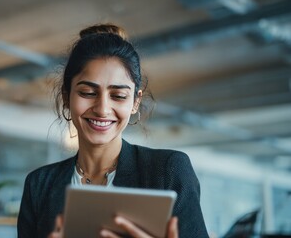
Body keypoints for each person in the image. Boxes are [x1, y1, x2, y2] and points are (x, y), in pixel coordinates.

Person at [17, 23, 209, 238]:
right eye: (88, 92)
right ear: (66, 96)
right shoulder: (39, 185)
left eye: (118, 96)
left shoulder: (168, 172)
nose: (102, 109)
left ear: (136, 101)